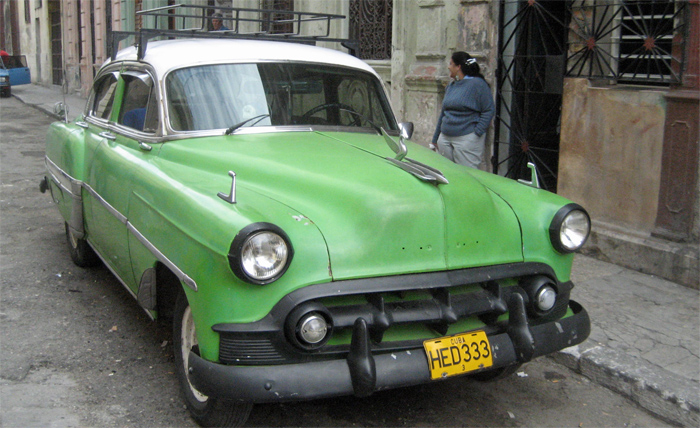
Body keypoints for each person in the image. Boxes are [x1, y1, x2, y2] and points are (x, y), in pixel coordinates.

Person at [431, 51, 495, 169]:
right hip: (445, 138)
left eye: (451, 64)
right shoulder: (452, 85)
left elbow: (488, 110)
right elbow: (443, 113)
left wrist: (477, 133)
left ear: (458, 67)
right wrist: (435, 138)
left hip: (466, 139)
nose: (449, 67)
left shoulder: (478, 84)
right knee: (447, 173)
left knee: (467, 175)